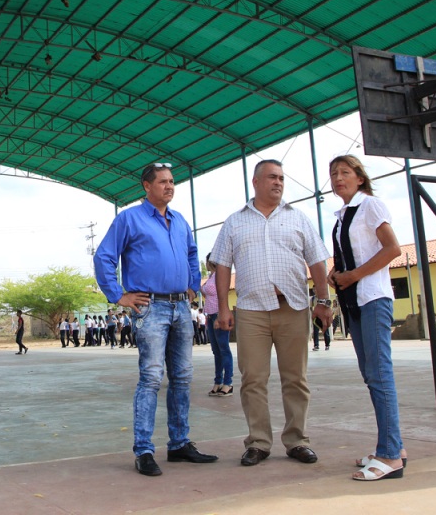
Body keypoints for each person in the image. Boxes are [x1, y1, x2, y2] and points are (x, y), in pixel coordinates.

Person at [94, 161, 217, 477]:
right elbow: (104, 256)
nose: (170, 186)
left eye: (172, 181)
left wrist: (193, 286)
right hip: (150, 307)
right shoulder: (129, 219)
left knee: (183, 376)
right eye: (162, 181)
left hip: (180, 308)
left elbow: (192, 254)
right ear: (146, 186)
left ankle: (179, 444)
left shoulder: (180, 222)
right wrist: (119, 295)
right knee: (151, 376)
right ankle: (144, 451)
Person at [211, 159, 331, 467]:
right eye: (271, 177)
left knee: (296, 379)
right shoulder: (234, 222)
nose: (278, 183)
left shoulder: (298, 218)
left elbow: (317, 260)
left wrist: (324, 300)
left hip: (293, 308)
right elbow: (222, 265)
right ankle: (258, 442)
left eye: (281, 178)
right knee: (253, 379)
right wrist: (223, 308)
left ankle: (297, 440)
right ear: (256, 182)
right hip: (251, 311)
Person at [328, 154, 405, 481]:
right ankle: (393, 446)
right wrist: (337, 273)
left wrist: (355, 275)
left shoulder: (370, 205)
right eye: (333, 174)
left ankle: (390, 457)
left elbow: (392, 249)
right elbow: (352, 254)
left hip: (373, 297)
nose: (338, 178)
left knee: (379, 374)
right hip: (354, 301)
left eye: (345, 172)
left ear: (360, 178)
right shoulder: (342, 216)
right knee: (371, 374)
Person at [200, 254, 234, 397]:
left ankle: (228, 383)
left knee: (224, 349)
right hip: (210, 315)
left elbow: (223, 295)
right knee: (216, 351)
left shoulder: (221, 275)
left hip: (218, 315)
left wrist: (220, 314)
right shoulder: (211, 277)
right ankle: (218, 381)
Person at [310, 286, 331, 351]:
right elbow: (311, 307)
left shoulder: (323, 298)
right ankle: (316, 345)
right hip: (316, 318)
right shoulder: (313, 298)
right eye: (314, 289)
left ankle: (327, 345)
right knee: (315, 332)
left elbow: (328, 305)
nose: (315, 290)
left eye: (316, 289)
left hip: (323, 317)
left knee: (325, 331)